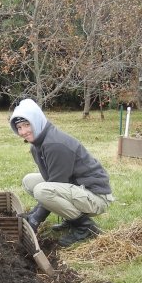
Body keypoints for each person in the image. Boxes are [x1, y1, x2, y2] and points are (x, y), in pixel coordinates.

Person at [9, 97, 114, 247]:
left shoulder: (54, 144)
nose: (23, 131)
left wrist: (35, 219)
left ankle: (86, 227)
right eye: (19, 127)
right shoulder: (37, 145)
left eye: (27, 125)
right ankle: (71, 219)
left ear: (36, 121)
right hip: (77, 187)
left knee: (42, 191)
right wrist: (34, 213)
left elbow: (56, 184)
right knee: (29, 181)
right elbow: (51, 180)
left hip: (97, 196)